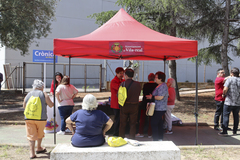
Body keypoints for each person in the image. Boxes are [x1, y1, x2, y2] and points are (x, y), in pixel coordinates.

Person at [23, 79, 54, 159]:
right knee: (40, 133)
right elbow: (50, 104)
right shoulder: (43, 94)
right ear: (42, 87)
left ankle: (32, 153)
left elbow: (24, 106)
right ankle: (39, 147)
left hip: (29, 117)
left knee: (31, 136)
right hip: (41, 118)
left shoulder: (29, 94)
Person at [119, 68, 141, 139]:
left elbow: (118, 95)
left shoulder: (123, 84)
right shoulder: (138, 84)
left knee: (122, 124)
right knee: (133, 124)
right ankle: (132, 138)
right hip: (134, 105)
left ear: (125, 75)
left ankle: (121, 138)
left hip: (125, 106)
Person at [146, 71, 168, 141]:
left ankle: (155, 139)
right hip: (158, 107)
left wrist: (152, 97)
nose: (155, 79)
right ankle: (160, 138)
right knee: (159, 123)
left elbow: (160, 97)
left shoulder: (162, 86)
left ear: (160, 78)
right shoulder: (160, 85)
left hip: (160, 108)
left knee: (154, 123)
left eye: (156, 77)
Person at [218, 68, 240, 136]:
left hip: (229, 101)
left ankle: (225, 131)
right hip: (237, 102)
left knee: (226, 115)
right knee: (236, 116)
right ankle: (235, 130)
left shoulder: (229, 79)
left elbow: (225, 89)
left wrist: (224, 94)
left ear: (232, 73)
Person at [136, 73, 157, 138]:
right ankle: (150, 134)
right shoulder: (156, 85)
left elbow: (144, 93)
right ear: (154, 78)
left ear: (148, 78)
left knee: (142, 119)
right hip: (152, 103)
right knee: (151, 119)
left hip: (144, 103)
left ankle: (141, 132)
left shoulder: (145, 85)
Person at [110, 67, 124, 136]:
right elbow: (120, 88)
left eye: (122, 73)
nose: (122, 75)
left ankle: (119, 133)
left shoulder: (122, 80)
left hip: (122, 103)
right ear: (116, 73)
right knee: (117, 119)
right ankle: (116, 133)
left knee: (121, 119)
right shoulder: (114, 81)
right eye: (120, 73)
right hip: (116, 104)